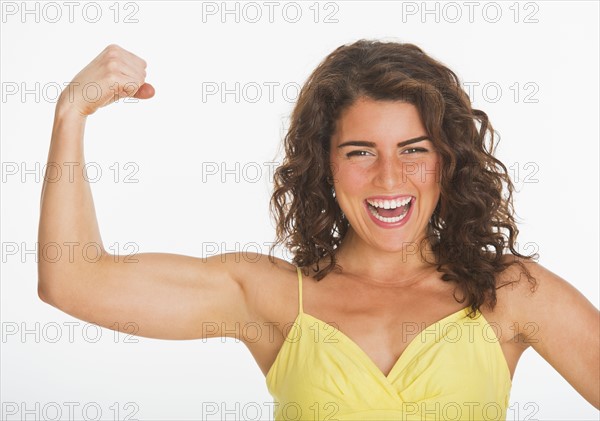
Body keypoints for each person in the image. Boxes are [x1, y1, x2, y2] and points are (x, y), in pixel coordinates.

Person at [37, 40, 599, 420]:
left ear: (448, 160)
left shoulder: (509, 292)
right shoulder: (269, 295)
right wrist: (70, 114)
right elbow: (73, 280)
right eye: (360, 151)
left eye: (414, 150)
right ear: (324, 163)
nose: (389, 177)